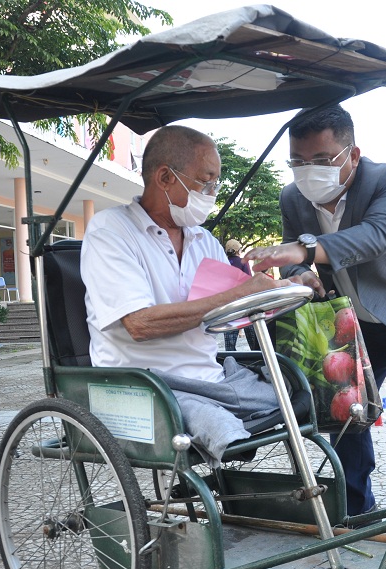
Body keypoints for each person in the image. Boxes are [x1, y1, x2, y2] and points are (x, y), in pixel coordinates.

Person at [244, 104, 386, 517]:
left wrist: (305, 251)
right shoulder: (293, 197)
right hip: (360, 322)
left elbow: (376, 237)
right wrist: (301, 273)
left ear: (353, 155)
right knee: (345, 409)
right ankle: (356, 510)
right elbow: (293, 251)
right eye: (297, 161)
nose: (308, 170)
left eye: (322, 160)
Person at [80, 125, 288, 465]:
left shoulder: (204, 241)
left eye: (215, 184)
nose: (212, 192)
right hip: (146, 385)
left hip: (212, 378)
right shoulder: (111, 231)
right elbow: (139, 324)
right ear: (164, 177)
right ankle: (231, 459)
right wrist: (240, 292)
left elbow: (233, 313)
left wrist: (275, 293)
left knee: (295, 393)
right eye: (205, 182)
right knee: (218, 426)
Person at [222, 239, 259, 352]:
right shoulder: (243, 262)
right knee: (253, 342)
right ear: (238, 250)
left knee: (230, 346)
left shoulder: (223, 262)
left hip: (228, 306)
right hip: (244, 304)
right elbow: (249, 281)